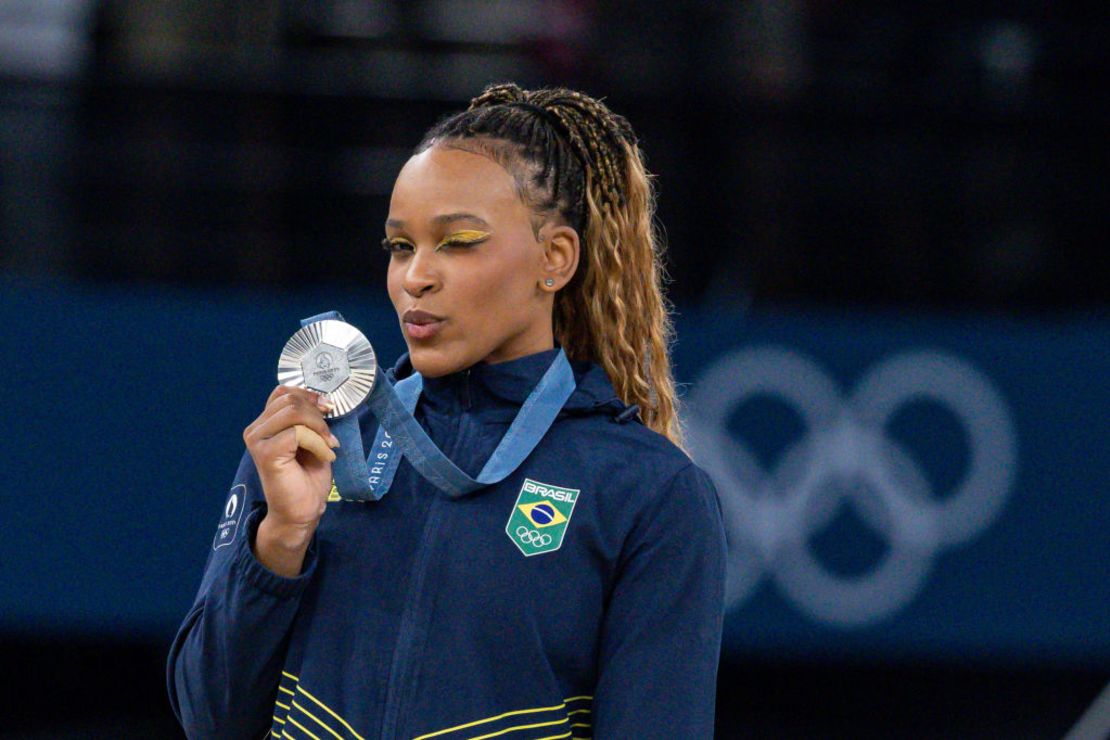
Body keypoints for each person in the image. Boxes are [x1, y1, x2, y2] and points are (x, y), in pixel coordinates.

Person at [167, 82, 727, 739]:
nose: (415, 277)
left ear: (554, 260)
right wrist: (281, 540)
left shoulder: (648, 492)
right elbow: (211, 719)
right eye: (400, 246)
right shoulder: (315, 438)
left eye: (458, 242)